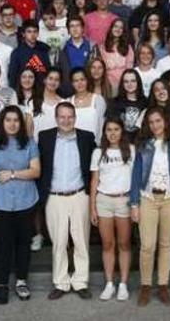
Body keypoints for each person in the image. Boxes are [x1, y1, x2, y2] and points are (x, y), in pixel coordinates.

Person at [0, 106, 41, 304]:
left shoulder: (29, 142)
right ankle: (3, 285)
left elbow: (36, 171)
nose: (12, 124)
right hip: (1, 202)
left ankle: (21, 281)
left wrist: (13, 174)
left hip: (26, 201)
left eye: (16, 120)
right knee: (4, 244)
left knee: (24, 243)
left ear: (21, 123)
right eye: (8, 120)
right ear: (2, 122)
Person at [130, 108, 170, 306]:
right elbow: (136, 174)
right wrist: (134, 204)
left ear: (165, 121)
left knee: (166, 244)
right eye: (151, 122)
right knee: (147, 245)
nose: (155, 125)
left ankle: (163, 285)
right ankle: (146, 286)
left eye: (158, 121)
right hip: (147, 198)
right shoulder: (144, 146)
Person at [38, 102, 96, 300]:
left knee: (81, 241)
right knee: (59, 242)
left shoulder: (87, 137)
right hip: (54, 197)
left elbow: (94, 166)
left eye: (70, 116)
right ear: (56, 118)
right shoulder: (44, 137)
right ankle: (61, 283)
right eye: (62, 117)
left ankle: (80, 281)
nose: (66, 120)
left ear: (75, 118)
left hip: (80, 195)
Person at [89, 118, 135, 301]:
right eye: (109, 130)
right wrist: (92, 207)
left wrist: (135, 204)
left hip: (124, 200)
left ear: (122, 131)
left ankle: (123, 284)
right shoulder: (98, 152)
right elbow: (94, 181)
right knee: (107, 244)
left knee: (124, 244)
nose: (113, 133)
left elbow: (137, 178)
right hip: (104, 201)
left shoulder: (131, 150)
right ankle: (109, 283)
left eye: (116, 129)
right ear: (105, 132)